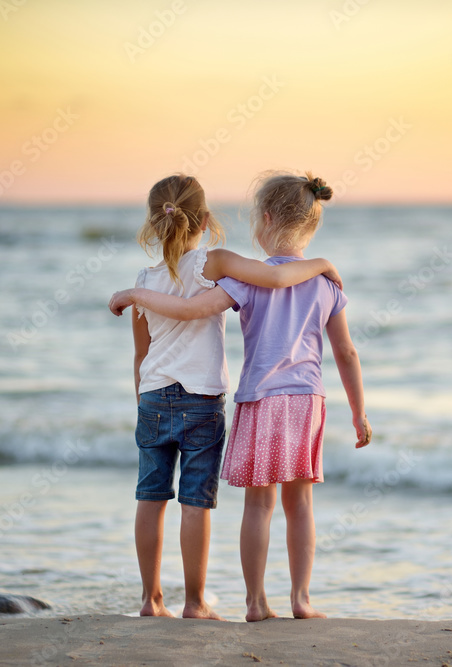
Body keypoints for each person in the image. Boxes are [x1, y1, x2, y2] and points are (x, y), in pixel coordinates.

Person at [109, 171, 371, 622]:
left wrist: (137, 296)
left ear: (265, 218)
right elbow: (345, 351)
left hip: (240, 399)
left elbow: (163, 335)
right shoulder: (311, 282)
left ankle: (244, 601)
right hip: (298, 401)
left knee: (238, 503)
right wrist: (359, 413)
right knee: (290, 504)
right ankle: (290, 599)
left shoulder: (218, 280)